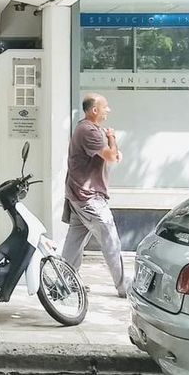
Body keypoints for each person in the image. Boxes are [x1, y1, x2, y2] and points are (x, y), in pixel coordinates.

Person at [61, 92, 129, 298]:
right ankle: (124, 287)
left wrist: (111, 150)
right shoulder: (89, 131)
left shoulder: (85, 129)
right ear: (94, 110)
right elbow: (111, 156)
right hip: (89, 198)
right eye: (105, 107)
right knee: (111, 241)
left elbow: (109, 156)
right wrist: (112, 137)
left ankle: (64, 282)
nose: (108, 110)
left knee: (74, 243)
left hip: (78, 195)